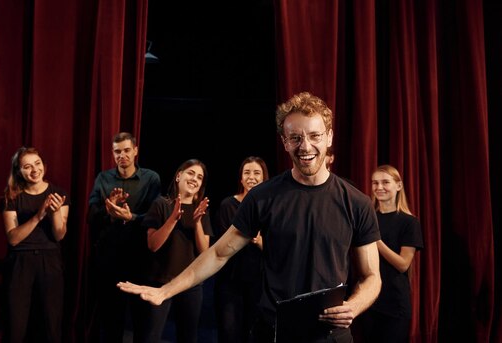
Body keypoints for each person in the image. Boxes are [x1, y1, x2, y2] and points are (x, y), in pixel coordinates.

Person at [119, 91, 382, 343]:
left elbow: (371, 276)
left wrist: (354, 306)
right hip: (273, 331)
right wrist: (166, 291)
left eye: (315, 135)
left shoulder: (356, 203)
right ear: (284, 142)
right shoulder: (263, 197)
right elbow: (219, 253)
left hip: (330, 335)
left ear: (329, 137)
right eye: (295, 137)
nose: (305, 146)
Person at [88, 132, 161, 342]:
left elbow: (156, 216)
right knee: (111, 320)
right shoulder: (104, 178)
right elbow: (90, 216)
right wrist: (108, 210)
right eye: (117, 151)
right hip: (109, 258)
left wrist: (132, 217)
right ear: (112, 153)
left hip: (140, 257)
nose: (122, 155)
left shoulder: (151, 178)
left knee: (141, 319)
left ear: (135, 151)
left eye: (127, 150)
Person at [1, 146, 69, 343]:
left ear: (44, 165)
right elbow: (13, 238)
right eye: (27, 166)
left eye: (37, 164)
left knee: (51, 324)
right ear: (19, 171)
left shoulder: (58, 193)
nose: (34, 170)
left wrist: (55, 212)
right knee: (16, 324)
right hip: (20, 263)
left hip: (50, 261)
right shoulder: (11, 197)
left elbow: (59, 235)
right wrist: (39, 215)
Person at [140, 158, 212, 343]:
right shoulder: (161, 204)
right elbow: (153, 245)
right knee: (151, 336)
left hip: (190, 284)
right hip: (160, 282)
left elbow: (205, 253)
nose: (194, 179)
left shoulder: (201, 211)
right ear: (179, 176)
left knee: (188, 337)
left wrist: (197, 223)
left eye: (199, 177)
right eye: (190, 173)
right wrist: (172, 219)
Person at [360, 165, 424, 343]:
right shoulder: (368, 218)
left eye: (385, 182)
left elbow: (403, 264)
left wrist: (376, 240)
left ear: (399, 186)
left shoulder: (409, 223)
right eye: (375, 183)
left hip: (395, 303)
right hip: (368, 301)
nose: (379, 187)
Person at [213, 156, 269, 343]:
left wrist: (262, 244)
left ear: (264, 178)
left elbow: (281, 247)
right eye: (247, 173)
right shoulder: (228, 205)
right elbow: (222, 244)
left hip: (259, 282)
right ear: (241, 178)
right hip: (230, 281)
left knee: (254, 332)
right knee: (229, 332)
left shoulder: (271, 206)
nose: (251, 177)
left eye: (256, 173)